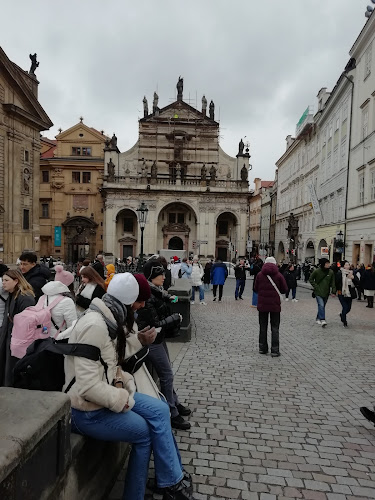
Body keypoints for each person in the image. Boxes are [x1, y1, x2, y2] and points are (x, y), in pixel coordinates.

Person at [64, 272, 195, 500]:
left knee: (161, 409)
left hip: (107, 392)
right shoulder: (95, 325)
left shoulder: (108, 318)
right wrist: (123, 400)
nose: (140, 308)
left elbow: (110, 360)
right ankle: (138, 494)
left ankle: (169, 481)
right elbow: (86, 387)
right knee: (144, 432)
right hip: (85, 409)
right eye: (138, 303)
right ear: (126, 302)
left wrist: (138, 341)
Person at [137, 258, 191, 431]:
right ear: (152, 276)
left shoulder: (157, 291)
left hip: (159, 339)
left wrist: (173, 300)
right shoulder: (148, 296)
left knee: (167, 373)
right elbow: (154, 324)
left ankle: (174, 402)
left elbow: (168, 302)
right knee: (166, 375)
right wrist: (175, 319)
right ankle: (172, 412)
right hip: (152, 341)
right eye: (160, 274)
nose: (164, 277)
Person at [0, 270, 35, 386]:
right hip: (10, 337)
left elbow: (29, 324)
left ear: (16, 281)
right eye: (2, 280)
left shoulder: (25, 298)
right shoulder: (12, 294)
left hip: (19, 341)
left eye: (6, 280)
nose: (3, 283)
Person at [254, 256, 287, 357]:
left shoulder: (260, 275)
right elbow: (284, 289)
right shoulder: (279, 275)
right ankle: (275, 350)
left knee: (263, 326)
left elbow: (255, 288)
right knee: (275, 327)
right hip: (275, 306)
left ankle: (262, 348)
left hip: (262, 305)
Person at [39, 265, 77, 338]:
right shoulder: (67, 301)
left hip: (45, 337)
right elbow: (72, 325)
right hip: (60, 339)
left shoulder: (43, 297)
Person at [309, 258, 336, 327]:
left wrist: (333, 291)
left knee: (322, 306)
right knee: (321, 305)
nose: (328, 265)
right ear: (323, 264)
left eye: (328, 263)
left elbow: (332, 282)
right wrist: (316, 286)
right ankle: (323, 319)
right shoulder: (317, 271)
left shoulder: (331, 272)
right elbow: (311, 279)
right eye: (327, 263)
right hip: (318, 292)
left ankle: (318, 318)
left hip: (326, 292)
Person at [335, 261, 355, 327]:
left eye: (348, 265)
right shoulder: (340, 273)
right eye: (346, 265)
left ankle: (342, 315)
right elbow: (336, 282)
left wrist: (353, 278)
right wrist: (335, 291)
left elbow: (357, 282)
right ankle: (344, 321)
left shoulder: (352, 273)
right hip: (341, 292)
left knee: (348, 308)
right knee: (345, 307)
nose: (347, 266)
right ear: (344, 266)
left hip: (349, 293)